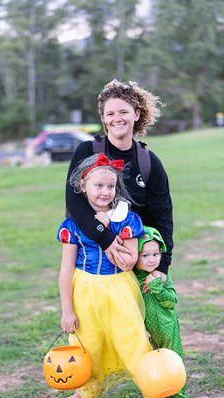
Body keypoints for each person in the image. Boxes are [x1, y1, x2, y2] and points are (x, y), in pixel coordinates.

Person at [56, 153, 172, 398]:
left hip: (119, 288)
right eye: (99, 186)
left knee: (133, 342)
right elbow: (66, 271)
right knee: (88, 348)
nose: (105, 192)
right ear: (83, 187)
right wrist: (67, 310)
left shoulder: (128, 220)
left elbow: (130, 260)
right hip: (84, 292)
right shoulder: (73, 226)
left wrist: (107, 228)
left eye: (111, 187)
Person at [65, 79, 173, 282]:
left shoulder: (149, 162)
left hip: (136, 262)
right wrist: (105, 239)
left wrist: (162, 265)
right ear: (104, 119)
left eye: (124, 112)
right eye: (110, 114)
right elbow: (74, 202)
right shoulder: (87, 152)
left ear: (137, 114)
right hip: (91, 261)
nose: (117, 119)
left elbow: (162, 215)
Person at [134, 225, 193, 398]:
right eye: (145, 255)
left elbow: (171, 301)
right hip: (148, 331)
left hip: (168, 328)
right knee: (155, 367)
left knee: (174, 363)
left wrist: (158, 287)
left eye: (156, 254)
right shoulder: (133, 279)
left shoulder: (161, 276)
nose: (152, 259)